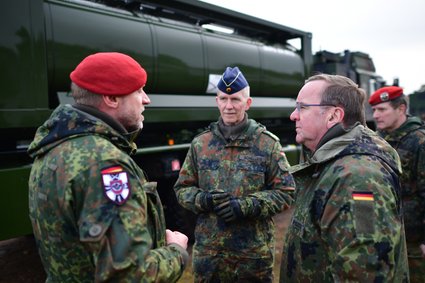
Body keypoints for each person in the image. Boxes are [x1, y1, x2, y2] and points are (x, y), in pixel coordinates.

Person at [27, 52, 189, 282]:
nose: (147, 99)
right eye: (139, 91)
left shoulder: (55, 149)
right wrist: (177, 251)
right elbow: (130, 274)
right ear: (112, 98)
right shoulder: (104, 165)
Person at [280, 74, 409, 282]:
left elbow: (362, 274)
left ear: (333, 116)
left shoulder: (357, 177)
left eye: (302, 107)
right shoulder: (335, 165)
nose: (293, 116)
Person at [173, 66, 295, 282]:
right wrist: (205, 199)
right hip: (209, 259)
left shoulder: (267, 144)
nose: (229, 106)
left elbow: (285, 192)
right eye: (223, 98)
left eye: (235, 99)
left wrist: (244, 207)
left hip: (251, 259)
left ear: (247, 103)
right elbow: (182, 189)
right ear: (217, 101)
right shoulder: (201, 144)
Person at [369, 86, 425, 282]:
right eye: (374, 110)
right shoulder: (377, 140)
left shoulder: (419, 141)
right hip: (381, 235)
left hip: (412, 240)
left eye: (382, 109)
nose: (375, 115)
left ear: (401, 109)